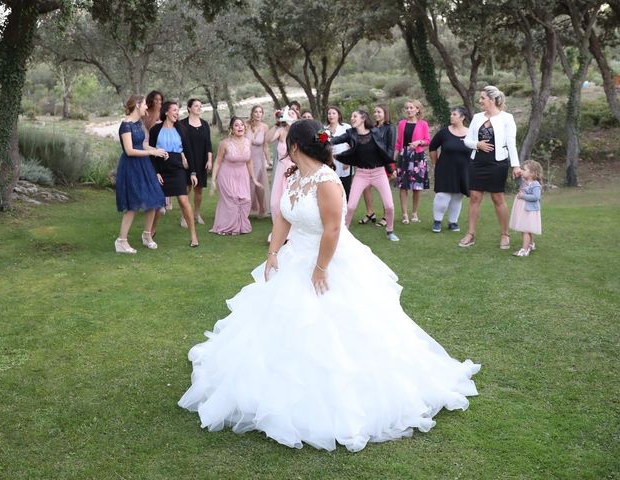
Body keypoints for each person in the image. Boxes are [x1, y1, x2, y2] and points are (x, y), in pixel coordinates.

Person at [178, 119, 480, 452]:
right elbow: (282, 218)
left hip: (330, 258)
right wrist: (272, 252)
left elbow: (333, 229)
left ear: (293, 146)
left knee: (335, 326)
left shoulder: (327, 180)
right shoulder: (295, 176)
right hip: (296, 255)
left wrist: (321, 268)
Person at [459, 85, 521, 249]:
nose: (480, 101)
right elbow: (467, 140)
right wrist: (477, 144)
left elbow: (511, 144)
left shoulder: (507, 118)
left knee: (497, 198)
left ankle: (505, 235)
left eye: (483, 98)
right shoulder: (477, 117)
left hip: (497, 163)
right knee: (474, 198)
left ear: (492, 100)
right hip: (477, 162)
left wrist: (516, 165)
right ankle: (470, 234)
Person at [332, 110, 399, 242]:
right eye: (351, 116)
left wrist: (390, 169)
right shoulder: (350, 133)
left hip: (379, 173)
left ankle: (390, 231)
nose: (352, 118)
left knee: (389, 206)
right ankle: (343, 232)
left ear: (363, 118)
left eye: (354, 116)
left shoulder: (376, 132)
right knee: (350, 206)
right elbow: (334, 140)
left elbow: (384, 152)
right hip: (361, 174)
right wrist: (318, 137)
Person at [114, 95, 168, 254]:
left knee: (154, 198)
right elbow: (130, 151)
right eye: (145, 104)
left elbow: (143, 143)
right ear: (137, 105)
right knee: (133, 204)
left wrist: (154, 151)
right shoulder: (125, 126)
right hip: (131, 167)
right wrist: (152, 153)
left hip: (144, 165)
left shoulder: (139, 123)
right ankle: (121, 241)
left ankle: (147, 235)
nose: (147, 107)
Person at [148, 101, 199, 247]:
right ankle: (151, 230)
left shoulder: (182, 129)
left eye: (178, 111)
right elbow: (151, 153)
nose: (177, 113)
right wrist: (155, 172)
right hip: (161, 169)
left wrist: (193, 172)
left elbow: (189, 152)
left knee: (184, 201)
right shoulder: (155, 130)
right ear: (166, 112)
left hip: (177, 169)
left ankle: (193, 236)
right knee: (158, 204)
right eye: (174, 110)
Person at [209, 117, 263, 235]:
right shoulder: (225, 143)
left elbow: (249, 161)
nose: (240, 127)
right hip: (226, 174)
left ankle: (240, 226)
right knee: (232, 201)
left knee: (246, 200)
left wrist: (253, 178)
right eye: (236, 125)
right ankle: (228, 228)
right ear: (231, 129)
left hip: (242, 174)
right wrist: (213, 180)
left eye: (242, 125)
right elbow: (217, 161)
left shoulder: (248, 142)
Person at [428, 107, 472, 233]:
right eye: (451, 114)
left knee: (457, 196)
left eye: (454, 114)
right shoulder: (444, 132)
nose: (451, 116)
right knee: (442, 195)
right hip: (444, 169)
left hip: (463, 170)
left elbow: (476, 149)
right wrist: (435, 163)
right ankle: (437, 221)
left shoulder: (471, 133)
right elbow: (432, 147)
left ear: (462, 117)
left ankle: (453, 222)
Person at [359, 104, 395, 227]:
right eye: (375, 112)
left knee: (383, 191)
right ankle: (370, 213)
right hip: (370, 162)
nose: (376, 114)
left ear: (385, 113)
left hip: (384, 163)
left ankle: (386, 216)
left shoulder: (390, 128)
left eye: (379, 112)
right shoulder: (372, 127)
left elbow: (391, 148)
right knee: (366, 187)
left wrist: (388, 165)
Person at [395, 100, 430, 224]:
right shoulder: (401, 124)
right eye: (407, 108)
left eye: (411, 107)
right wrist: (394, 162)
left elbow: (427, 140)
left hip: (418, 157)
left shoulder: (423, 124)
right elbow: (398, 143)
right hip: (404, 156)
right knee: (403, 186)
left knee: (417, 187)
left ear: (417, 109)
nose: (409, 110)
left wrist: (418, 142)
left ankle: (414, 213)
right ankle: (404, 214)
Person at [180, 98, 213, 226]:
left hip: (202, 161)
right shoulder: (182, 124)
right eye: (196, 106)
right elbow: (179, 144)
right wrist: (183, 158)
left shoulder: (205, 124)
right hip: (187, 161)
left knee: (199, 190)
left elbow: (208, 144)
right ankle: (184, 216)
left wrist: (209, 160)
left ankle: (196, 214)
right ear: (189, 108)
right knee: (186, 189)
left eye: (200, 106)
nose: (199, 108)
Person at [266, 106, 298, 224]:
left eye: (292, 113)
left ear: (297, 117)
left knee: (291, 202)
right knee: (275, 203)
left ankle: (292, 232)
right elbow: (268, 140)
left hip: (295, 170)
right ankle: (279, 231)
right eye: (287, 113)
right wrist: (276, 124)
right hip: (281, 170)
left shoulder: (299, 133)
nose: (289, 114)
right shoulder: (280, 131)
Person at [143, 90, 171, 213]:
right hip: (149, 146)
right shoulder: (146, 114)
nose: (158, 102)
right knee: (151, 174)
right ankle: (151, 201)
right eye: (156, 100)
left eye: (160, 100)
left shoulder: (163, 113)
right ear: (151, 100)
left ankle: (165, 201)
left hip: (162, 146)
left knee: (164, 173)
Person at [509, 160, 543, 257]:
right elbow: (517, 181)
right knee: (524, 228)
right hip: (522, 209)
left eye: (524, 169)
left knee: (525, 229)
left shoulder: (535, 184)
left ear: (532, 173)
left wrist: (523, 196)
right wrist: (518, 174)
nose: (522, 171)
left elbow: (536, 197)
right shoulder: (524, 181)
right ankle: (531, 244)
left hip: (529, 210)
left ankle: (525, 249)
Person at [245, 105, 270, 218]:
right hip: (246, 159)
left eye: (260, 112)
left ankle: (262, 208)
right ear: (252, 113)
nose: (258, 114)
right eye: (256, 112)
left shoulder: (265, 127)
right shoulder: (246, 124)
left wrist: (268, 160)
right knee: (246, 184)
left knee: (259, 184)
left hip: (259, 159)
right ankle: (245, 209)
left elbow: (265, 146)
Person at [325, 106, 352, 199]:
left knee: (345, 191)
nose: (331, 115)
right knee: (333, 192)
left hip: (344, 163)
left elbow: (353, 145)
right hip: (330, 164)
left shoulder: (346, 127)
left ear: (339, 115)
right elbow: (318, 146)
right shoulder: (324, 129)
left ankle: (346, 213)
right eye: (329, 113)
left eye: (333, 113)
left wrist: (348, 161)